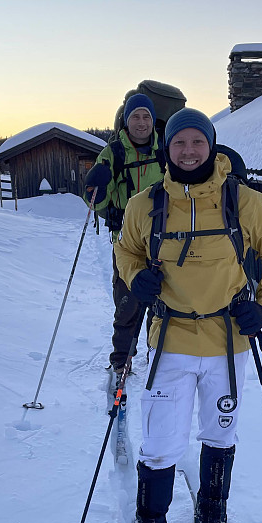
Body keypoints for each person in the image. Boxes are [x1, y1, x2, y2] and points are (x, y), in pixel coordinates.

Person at [114, 108, 262, 523]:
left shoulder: (243, 201)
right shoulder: (145, 204)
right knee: (160, 440)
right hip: (171, 339)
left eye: (198, 142)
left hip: (228, 343)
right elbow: (126, 249)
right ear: (167, 149)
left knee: (221, 433)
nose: (189, 151)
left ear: (211, 145)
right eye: (179, 143)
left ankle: (211, 517)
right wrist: (136, 278)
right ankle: (151, 521)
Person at [84, 93, 165, 375]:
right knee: (128, 303)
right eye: (135, 117)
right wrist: (97, 190)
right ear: (126, 120)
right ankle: (122, 358)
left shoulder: (164, 150)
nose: (141, 123)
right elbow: (97, 203)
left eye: (146, 117)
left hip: (163, 240)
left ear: (153, 120)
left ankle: (158, 352)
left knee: (162, 300)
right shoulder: (114, 153)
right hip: (126, 241)